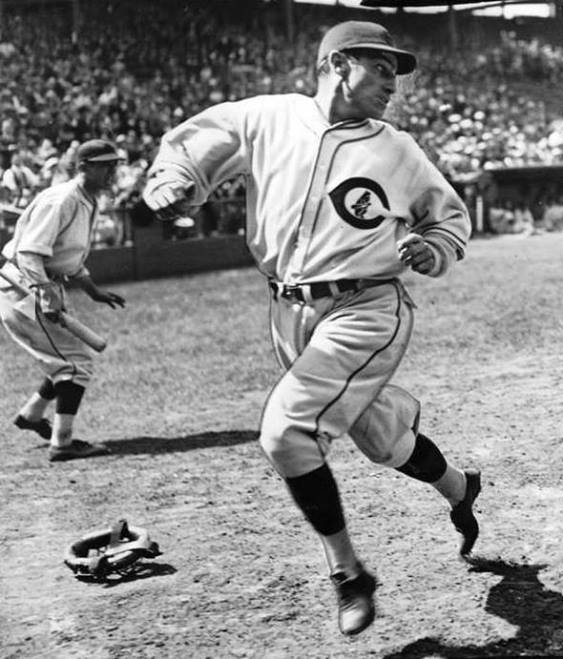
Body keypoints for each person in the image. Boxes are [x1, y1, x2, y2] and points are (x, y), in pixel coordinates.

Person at [141, 20, 481, 637]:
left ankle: (348, 573)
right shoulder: (267, 117)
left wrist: (434, 248)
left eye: (395, 72)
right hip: (288, 313)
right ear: (336, 63)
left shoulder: (397, 148)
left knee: (287, 435)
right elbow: (188, 149)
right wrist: (171, 182)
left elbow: (448, 216)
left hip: (367, 307)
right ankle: (460, 487)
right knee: (380, 440)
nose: (392, 83)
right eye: (379, 67)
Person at [0, 139, 126, 461]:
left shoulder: (88, 199)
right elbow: (29, 252)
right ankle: (62, 443)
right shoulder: (62, 200)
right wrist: (44, 292)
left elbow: (67, 257)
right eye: (104, 165)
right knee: (76, 363)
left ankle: (31, 415)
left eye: (114, 164)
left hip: (38, 287)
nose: (112, 171)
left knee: (63, 358)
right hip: (24, 288)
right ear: (83, 167)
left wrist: (92, 290)